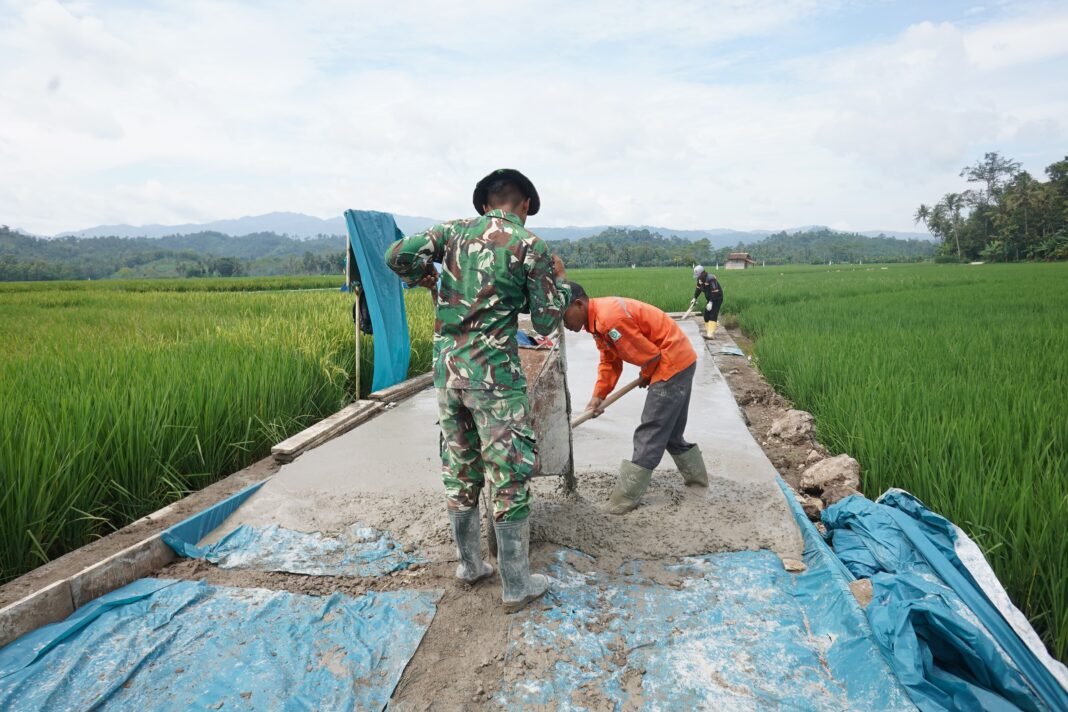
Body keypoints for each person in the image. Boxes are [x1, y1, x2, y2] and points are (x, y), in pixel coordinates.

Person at [384, 168, 569, 612]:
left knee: (460, 467)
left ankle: (469, 565)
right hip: (495, 382)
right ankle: (516, 584)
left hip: (448, 376)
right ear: (525, 205)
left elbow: (396, 254)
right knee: (508, 475)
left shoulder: (452, 233)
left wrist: (426, 276)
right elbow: (546, 322)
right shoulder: (531, 246)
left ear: (485, 204)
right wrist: (558, 285)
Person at [562, 282, 708, 514]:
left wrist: (647, 374)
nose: (564, 324)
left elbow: (650, 357)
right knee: (670, 433)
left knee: (651, 430)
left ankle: (623, 500)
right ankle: (698, 482)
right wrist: (598, 396)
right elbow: (610, 362)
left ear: (578, 304)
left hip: (671, 363)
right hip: (679, 358)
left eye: (563, 316)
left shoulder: (609, 319)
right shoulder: (596, 322)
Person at [691, 265, 723, 339]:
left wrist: (711, 302)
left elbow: (715, 292)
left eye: (699, 276)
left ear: (703, 273)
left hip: (716, 298)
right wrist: (695, 298)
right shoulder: (700, 280)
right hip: (709, 299)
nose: (698, 278)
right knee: (706, 315)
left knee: (713, 314)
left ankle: (710, 334)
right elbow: (698, 289)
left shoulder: (711, 279)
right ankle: (709, 330)